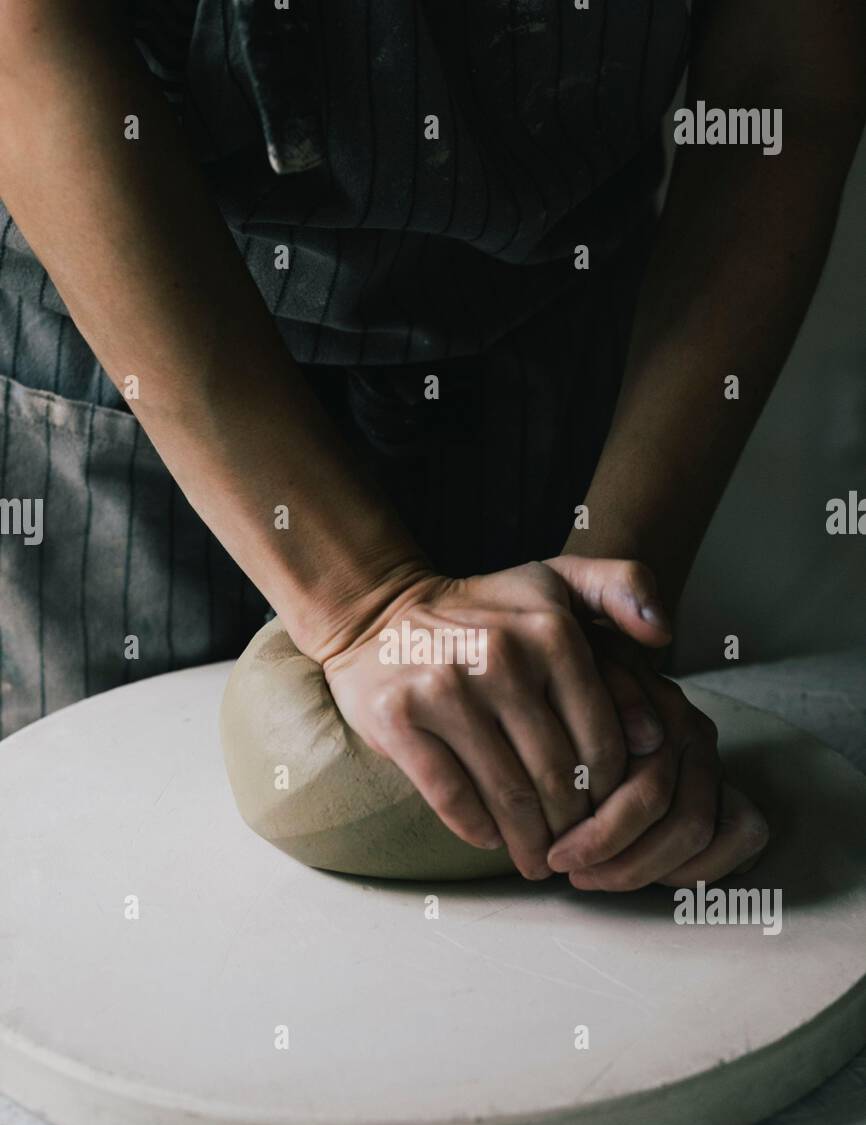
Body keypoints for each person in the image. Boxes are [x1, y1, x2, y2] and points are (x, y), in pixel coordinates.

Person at [0, 0, 863, 889]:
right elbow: (27, 40)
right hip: (134, 343)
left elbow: (781, 86)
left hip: (541, 370)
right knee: (105, 886)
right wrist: (366, 603)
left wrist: (615, 592)